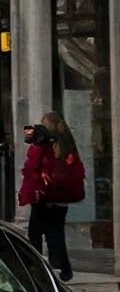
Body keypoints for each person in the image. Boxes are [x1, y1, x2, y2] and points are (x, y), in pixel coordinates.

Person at [22, 113, 85, 280]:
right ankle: (63, 269)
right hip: (62, 197)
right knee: (56, 234)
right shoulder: (67, 143)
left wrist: (36, 145)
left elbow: (33, 166)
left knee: (35, 233)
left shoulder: (45, 143)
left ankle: (36, 268)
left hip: (45, 195)